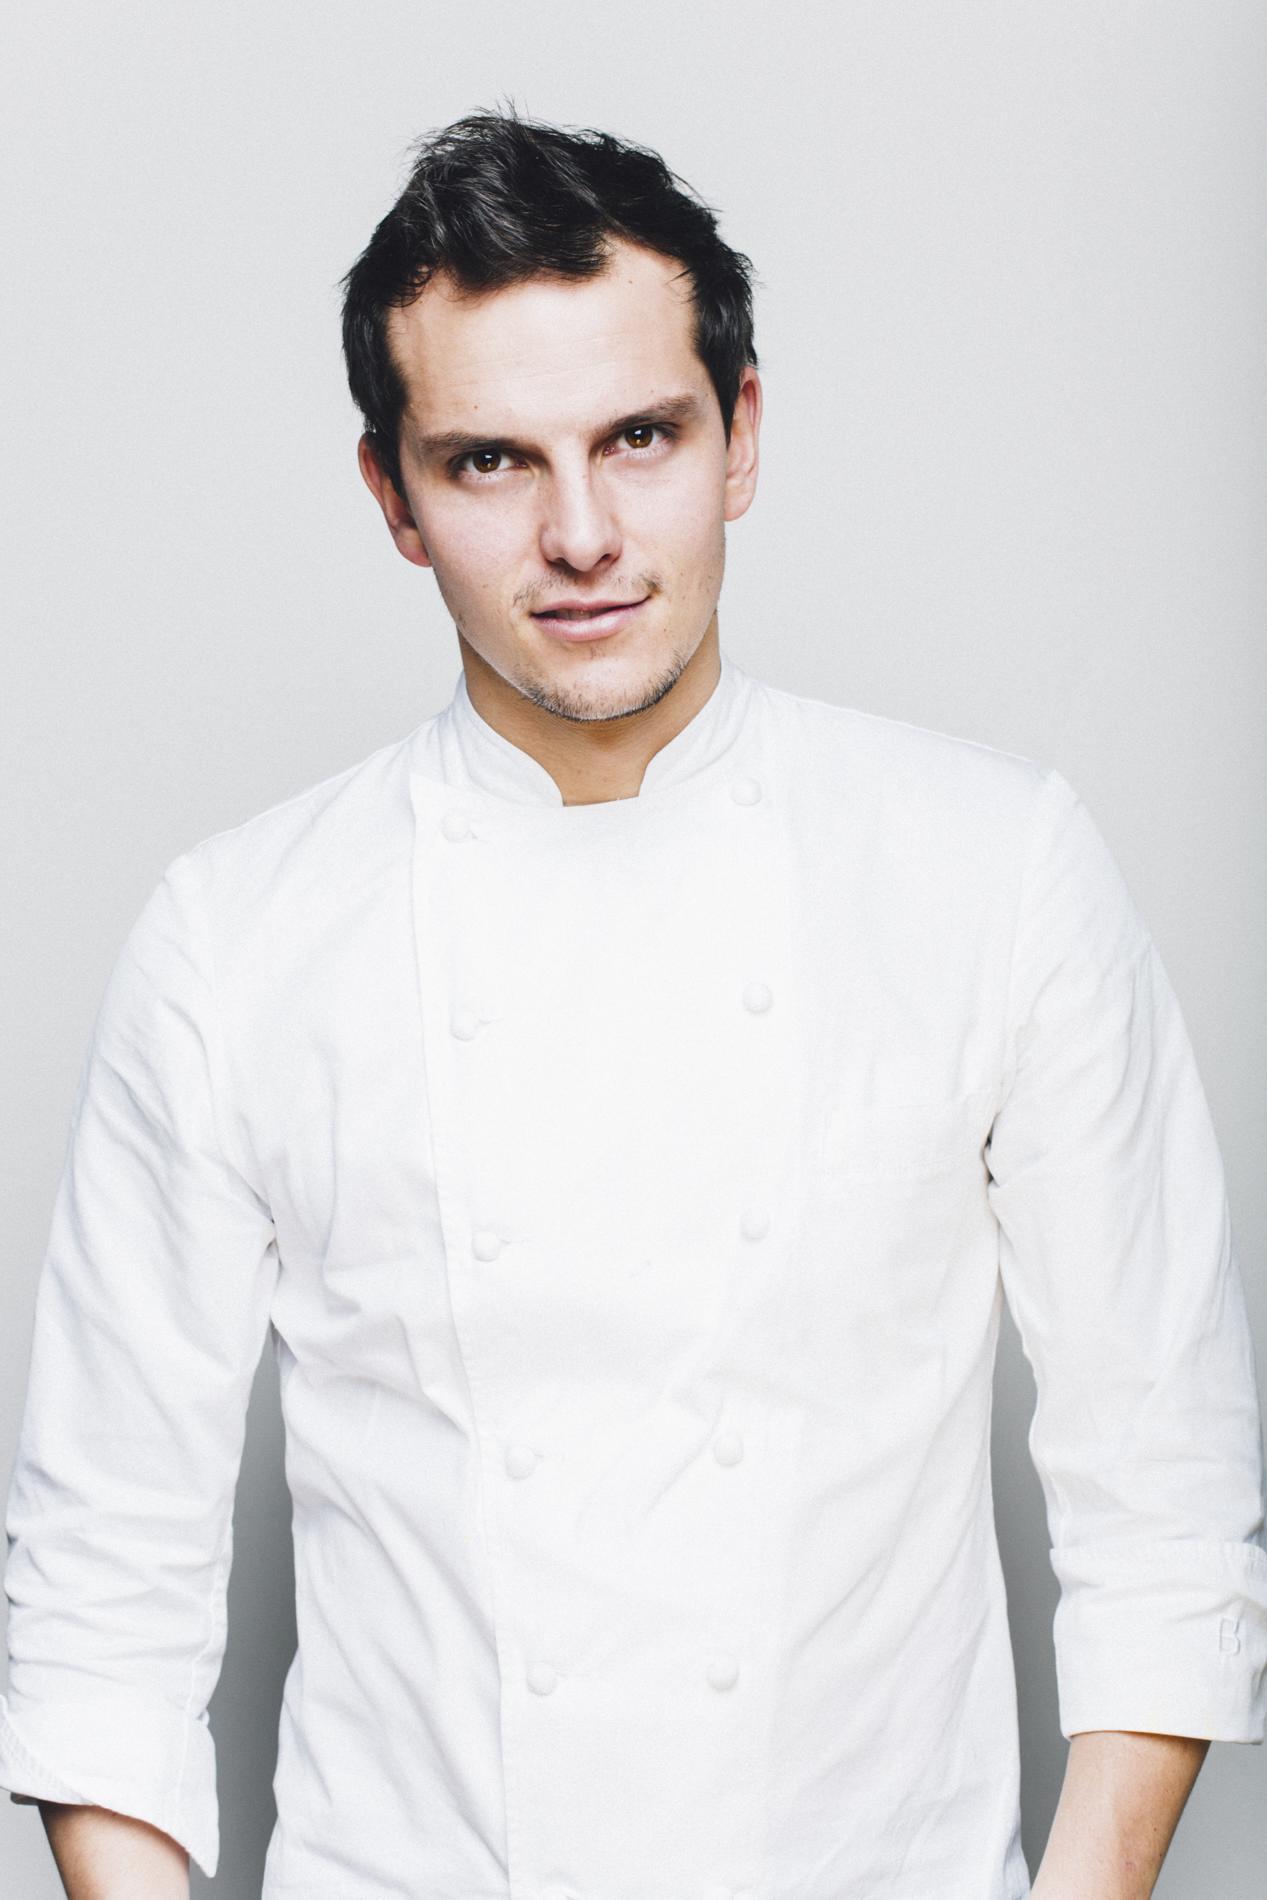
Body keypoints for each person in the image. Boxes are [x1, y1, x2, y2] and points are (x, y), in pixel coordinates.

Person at [2, 107, 1264, 1900]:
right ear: (392, 498)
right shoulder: (233, 942)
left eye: (641, 438)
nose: (581, 533)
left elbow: (1166, 1504)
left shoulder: (994, 873)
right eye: (490, 462)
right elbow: (100, 1602)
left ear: (741, 434)